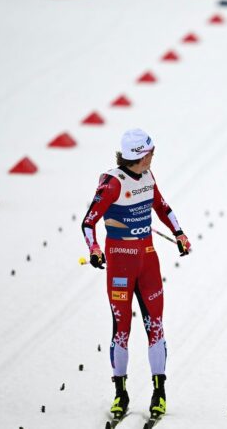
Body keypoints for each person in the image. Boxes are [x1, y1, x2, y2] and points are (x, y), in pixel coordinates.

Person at [81, 129, 191, 425]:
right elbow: (88, 222)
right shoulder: (112, 184)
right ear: (138, 156)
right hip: (119, 264)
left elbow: (162, 206)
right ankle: (121, 393)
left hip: (148, 261)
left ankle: (159, 392)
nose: (153, 158)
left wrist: (179, 233)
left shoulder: (148, 177)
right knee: (122, 329)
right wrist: (94, 250)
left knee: (155, 325)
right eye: (149, 154)